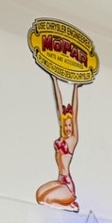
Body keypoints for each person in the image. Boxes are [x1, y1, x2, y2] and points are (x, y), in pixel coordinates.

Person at [35, 78, 79, 210]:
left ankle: (71, 206)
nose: (68, 128)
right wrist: (54, 80)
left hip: (67, 186)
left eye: (70, 125)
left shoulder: (72, 140)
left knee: (45, 200)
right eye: (65, 125)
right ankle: (67, 203)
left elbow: (75, 113)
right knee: (39, 196)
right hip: (60, 180)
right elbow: (59, 106)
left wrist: (75, 87)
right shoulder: (62, 137)